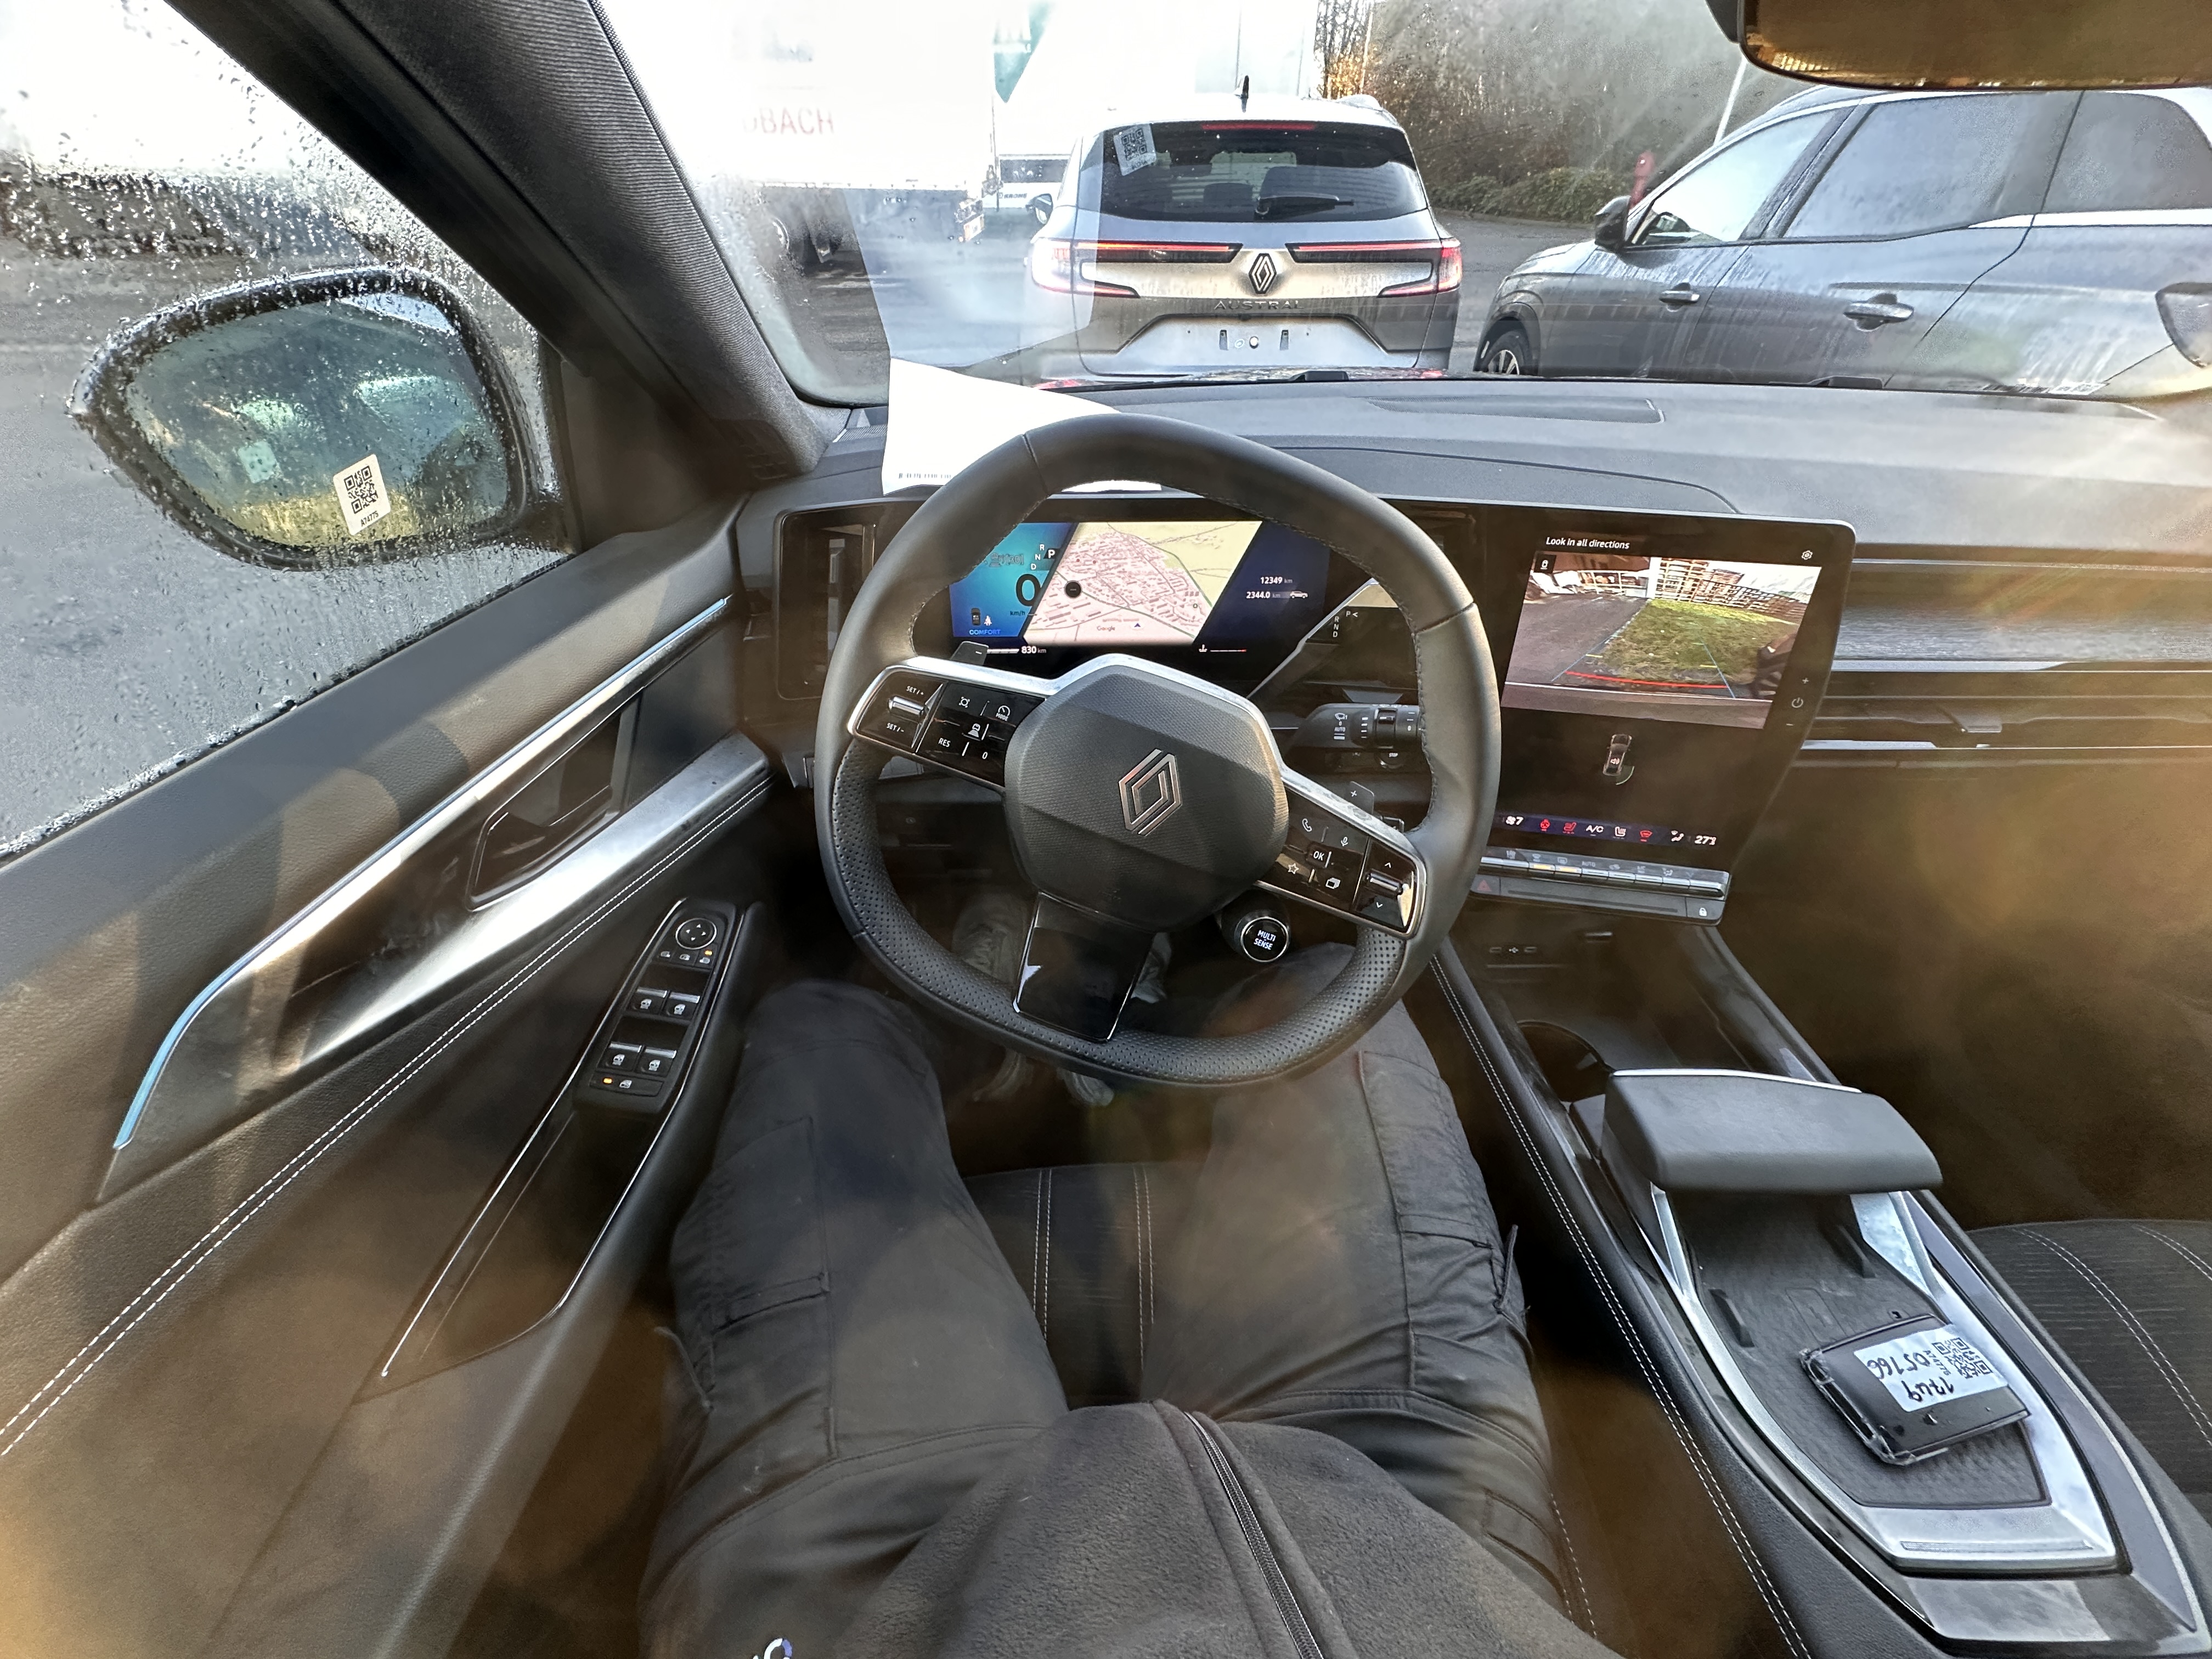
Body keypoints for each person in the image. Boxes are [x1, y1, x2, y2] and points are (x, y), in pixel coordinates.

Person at [639, 941, 1606, 1659]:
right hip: (1419, 1570)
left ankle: (998, 1025)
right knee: (1329, 991)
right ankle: (1183, 1009)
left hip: (879, 1600)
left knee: (829, 1030)